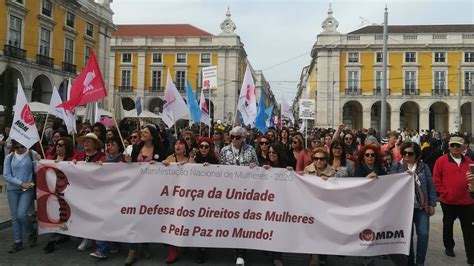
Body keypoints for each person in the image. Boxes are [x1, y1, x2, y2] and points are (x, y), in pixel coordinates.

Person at [124, 124, 167, 265]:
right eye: (142, 131)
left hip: (152, 190)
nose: (142, 133)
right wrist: (128, 161)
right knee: (134, 218)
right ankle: (132, 250)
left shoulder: (160, 150)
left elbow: (166, 166)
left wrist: (161, 164)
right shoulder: (136, 149)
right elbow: (130, 168)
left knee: (147, 218)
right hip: (136, 189)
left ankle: (145, 246)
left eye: (145, 132)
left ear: (152, 135)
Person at [393, 142, 437, 266]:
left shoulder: (424, 167)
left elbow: (430, 186)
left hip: (421, 207)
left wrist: (432, 204)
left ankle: (420, 263)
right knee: (408, 237)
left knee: (423, 235)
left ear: (416, 154)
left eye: (410, 153)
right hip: (404, 209)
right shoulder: (397, 167)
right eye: (404, 153)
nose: (406, 155)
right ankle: (410, 262)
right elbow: (390, 184)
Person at [219, 126, 258, 266]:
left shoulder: (250, 150)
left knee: (243, 221)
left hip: (246, 191)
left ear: (243, 138)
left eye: (238, 137)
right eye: (232, 137)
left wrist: (255, 166)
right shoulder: (224, 150)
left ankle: (241, 252)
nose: (235, 139)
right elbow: (220, 169)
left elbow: (257, 166)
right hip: (230, 191)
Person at [433, 135, 474, 264]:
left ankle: (471, 255)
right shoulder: (441, 161)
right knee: (448, 225)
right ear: (449, 146)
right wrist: (444, 192)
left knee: (469, 230)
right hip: (448, 201)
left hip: (466, 201)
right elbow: (436, 179)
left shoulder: (469, 162)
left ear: (464, 147)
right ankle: (449, 246)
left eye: (458, 145)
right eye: (452, 145)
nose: (455, 148)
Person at [89, 136, 125, 259]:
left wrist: (127, 164)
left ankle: (114, 243)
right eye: (108, 144)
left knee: (114, 220)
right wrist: (99, 166)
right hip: (105, 194)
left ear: (119, 146)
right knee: (105, 219)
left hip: (119, 194)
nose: (109, 147)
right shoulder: (103, 159)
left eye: (113, 144)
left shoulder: (123, 159)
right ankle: (102, 249)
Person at [3, 140, 39, 253]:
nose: (19, 148)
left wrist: (38, 161)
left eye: (22, 146)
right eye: (16, 147)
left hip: (28, 189)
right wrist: (21, 183)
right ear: (13, 147)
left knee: (21, 214)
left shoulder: (32, 153)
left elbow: (37, 171)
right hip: (12, 190)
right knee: (15, 216)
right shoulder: (9, 157)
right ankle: (18, 241)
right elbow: (6, 175)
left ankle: (31, 231)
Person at [42, 137, 75, 253]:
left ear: (67, 147)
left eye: (61, 145)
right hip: (52, 192)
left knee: (64, 214)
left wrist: (74, 164)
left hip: (66, 192)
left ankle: (64, 234)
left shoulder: (71, 160)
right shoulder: (50, 159)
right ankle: (52, 240)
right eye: (57, 144)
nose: (58, 147)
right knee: (54, 214)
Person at [262, 143, 289, 266]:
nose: (271, 154)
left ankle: (277, 256)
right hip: (267, 201)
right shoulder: (265, 165)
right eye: (270, 152)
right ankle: (268, 249)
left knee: (278, 229)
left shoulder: (286, 167)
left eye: (274, 152)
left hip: (282, 202)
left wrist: (291, 172)